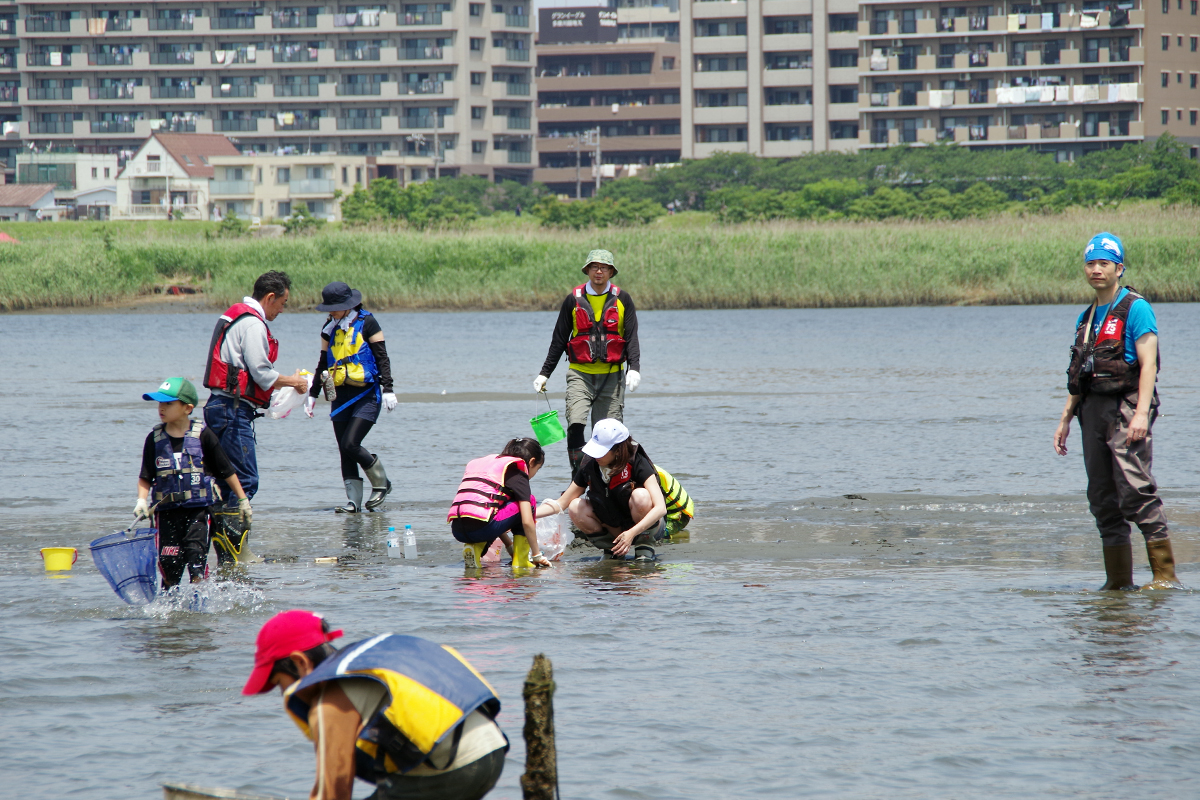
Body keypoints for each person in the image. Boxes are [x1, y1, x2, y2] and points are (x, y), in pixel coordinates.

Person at [243, 610, 508, 800]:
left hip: (453, 769)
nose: (284, 694)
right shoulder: (364, 663)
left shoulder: (328, 703)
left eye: (280, 684)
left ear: (300, 663)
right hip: (492, 750)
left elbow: (333, 791)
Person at [1054, 232, 1180, 590]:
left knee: (1135, 490)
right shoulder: (1087, 315)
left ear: (1118, 268)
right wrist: (1065, 418)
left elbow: (1149, 364)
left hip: (1126, 407)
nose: (1096, 270)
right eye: (1091, 263)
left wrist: (1141, 414)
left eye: (1104, 264)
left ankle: (1165, 578)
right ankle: (1118, 584)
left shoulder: (1136, 308)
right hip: (1091, 410)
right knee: (1102, 497)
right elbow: (1078, 373)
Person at [202, 270, 308, 562]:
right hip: (230, 411)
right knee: (245, 481)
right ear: (270, 297)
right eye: (283, 303)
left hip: (220, 407)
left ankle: (227, 554)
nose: (283, 309)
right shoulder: (252, 324)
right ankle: (236, 551)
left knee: (226, 481)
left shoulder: (240, 318)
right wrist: (295, 382)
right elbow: (261, 374)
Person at [533, 249, 641, 474]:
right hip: (580, 374)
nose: (599, 271)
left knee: (610, 432)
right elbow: (559, 340)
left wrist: (634, 368)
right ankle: (579, 476)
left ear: (611, 271)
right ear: (587, 270)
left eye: (604, 267)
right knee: (576, 425)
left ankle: (610, 478)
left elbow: (631, 337)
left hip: (612, 375)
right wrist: (544, 373)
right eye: (594, 267)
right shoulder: (573, 299)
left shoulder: (623, 299)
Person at [134, 378, 250, 588]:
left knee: (197, 562)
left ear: (187, 408)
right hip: (166, 514)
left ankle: (199, 607)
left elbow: (227, 471)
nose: (161, 408)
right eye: (160, 403)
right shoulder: (154, 439)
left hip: (198, 511)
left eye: (168, 403)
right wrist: (141, 501)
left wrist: (243, 500)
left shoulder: (203, 436)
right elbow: (145, 476)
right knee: (169, 568)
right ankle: (170, 614)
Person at [302, 282, 397, 513]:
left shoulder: (369, 322)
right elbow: (323, 363)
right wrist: (313, 394)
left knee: (351, 444)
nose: (330, 312)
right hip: (340, 397)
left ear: (348, 305)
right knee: (343, 449)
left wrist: (388, 389)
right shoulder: (328, 328)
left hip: (366, 394)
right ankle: (353, 502)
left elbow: (382, 357)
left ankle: (382, 483)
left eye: (334, 308)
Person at [540, 419, 692, 562]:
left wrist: (632, 533)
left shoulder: (637, 461)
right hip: (614, 525)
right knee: (575, 506)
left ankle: (644, 547)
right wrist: (529, 512)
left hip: (647, 527)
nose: (595, 455)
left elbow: (660, 508)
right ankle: (613, 550)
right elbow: (562, 503)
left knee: (641, 495)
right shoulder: (589, 464)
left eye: (601, 451)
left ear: (618, 450)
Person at [448, 437, 552, 568]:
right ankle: (521, 561)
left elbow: (491, 510)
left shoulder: (492, 468)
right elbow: (526, 521)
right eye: (537, 469)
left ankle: (474, 549)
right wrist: (537, 555)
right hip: (482, 529)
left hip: (457, 529)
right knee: (529, 501)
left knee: (489, 514)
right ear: (531, 462)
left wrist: (509, 546)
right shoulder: (519, 474)